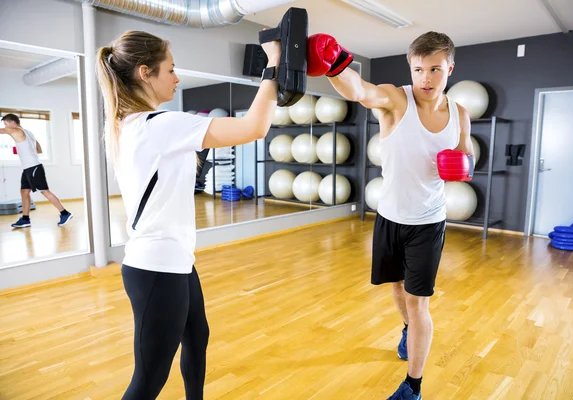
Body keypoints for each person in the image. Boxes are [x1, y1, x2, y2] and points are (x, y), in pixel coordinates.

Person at [95, 29, 281, 399]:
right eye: (171, 70)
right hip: (156, 268)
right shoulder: (159, 124)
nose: (177, 78)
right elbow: (255, 127)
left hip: (174, 260)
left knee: (197, 335)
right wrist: (274, 64)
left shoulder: (133, 126)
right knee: (148, 380)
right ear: (145, 73)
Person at [307, 31, 475, 399]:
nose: (426, 79)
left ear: (450, 67)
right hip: (390, 217)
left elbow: (465, 152)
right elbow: (359, 91)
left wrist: (465, 164)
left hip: (428, 222)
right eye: (418, 69)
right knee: (398, 288)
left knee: (419, 303)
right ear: (410, 68)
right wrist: (335, 61)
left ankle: (412, 387)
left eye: (435, 69)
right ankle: (406, 329)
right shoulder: (396, 100)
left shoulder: (461, 113)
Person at [0, 114, 73, 228]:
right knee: (24, 192)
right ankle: (25, 219)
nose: (6, 127)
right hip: (28, 168)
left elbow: (2, 131)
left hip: (33, 167)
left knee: (45, 191)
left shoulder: (16, 130)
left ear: (13, 123)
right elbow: (39, 150)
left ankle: (65, 213)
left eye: (6, 124)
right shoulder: (28, 133)